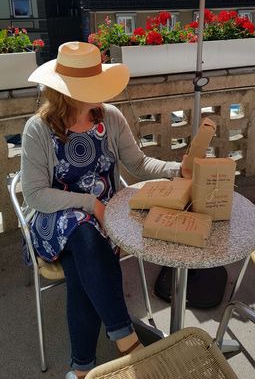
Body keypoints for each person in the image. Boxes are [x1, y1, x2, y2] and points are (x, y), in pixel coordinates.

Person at [21, 41, 185, 379]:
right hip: (55, 220)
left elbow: (138, 163)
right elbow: (36, 195)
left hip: (105, 220)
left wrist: (175, 168)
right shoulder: (38, 130)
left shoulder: (109, 117)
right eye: (92, 86)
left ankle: (82, 370)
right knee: (83, 232)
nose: (102, 92)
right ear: (68, 93)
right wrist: (90, 204)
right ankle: (127, 342)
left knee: (84, 266)